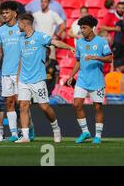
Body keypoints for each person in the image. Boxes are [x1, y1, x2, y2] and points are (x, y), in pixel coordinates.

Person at [16, 13, 75, 143]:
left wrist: (69, 47)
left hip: (37, 79)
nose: (17, 25)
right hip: (23, 80)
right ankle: (25, 136)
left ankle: (56, 129)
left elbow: (55, 42)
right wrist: (17, 78)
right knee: (23, 106)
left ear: (25, 23)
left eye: (19, 23)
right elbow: (21, 59)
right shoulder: (20, 38)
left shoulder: (39, 37)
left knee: (44, 107)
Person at [68, 15, 113, 144]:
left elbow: (110, 59)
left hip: (97, 80)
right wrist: (71, 76)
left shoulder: (101, 42)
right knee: (76, 104)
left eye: (84, 28)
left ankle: (98, 136)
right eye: (81, 27)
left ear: (92, 28)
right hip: (82, 79)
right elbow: (78, 61)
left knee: (97, 107)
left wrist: (96, 58)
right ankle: (85, 132)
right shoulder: (80, 42)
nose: (82, 30)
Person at [0, 1, 25, 141]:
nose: (4, 15)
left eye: (7, 12)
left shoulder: (22, 28)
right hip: (5, 71)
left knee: (22, 102)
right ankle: (14, 134)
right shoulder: (1, 30)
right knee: (9, 102)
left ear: (14, 13)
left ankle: (28, 130)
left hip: (21, 72)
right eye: (3, 13)